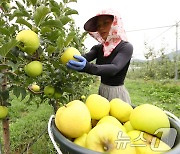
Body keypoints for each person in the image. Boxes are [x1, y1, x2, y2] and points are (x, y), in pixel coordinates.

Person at [67, 9, 133, 104]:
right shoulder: (99, 48)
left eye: (105, 23)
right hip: (102, 91)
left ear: (115, 24)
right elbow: (84, 57)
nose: (101, 28)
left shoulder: (125, 47)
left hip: (117, 95)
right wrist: (69, 57)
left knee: (118, 117)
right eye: (98, 25)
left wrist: (87, 67)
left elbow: (114, 68)